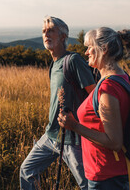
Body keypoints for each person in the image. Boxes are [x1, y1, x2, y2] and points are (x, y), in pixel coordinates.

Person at [20, 16, 96, 190]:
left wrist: (78, 125)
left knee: (88, 185)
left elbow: (95, 97)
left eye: (51, 30)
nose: (46, 34)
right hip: (51, 135)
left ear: (63, 36)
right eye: (44, 31)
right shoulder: (54, 64)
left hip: (72, 139)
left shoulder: (74, 60)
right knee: (27, 171)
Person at [58, 27, 130, 190]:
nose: (86, 52)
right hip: (113, 170)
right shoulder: (123, 78)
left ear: (104, 49)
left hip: (107, 175)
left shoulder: (108, 88)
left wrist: (74, 126)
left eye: (89, 47)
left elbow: (114, 142)